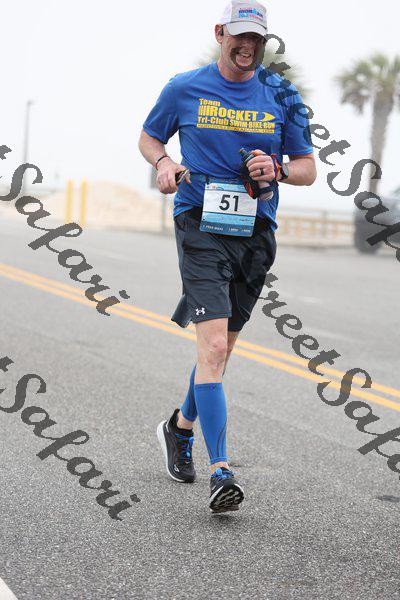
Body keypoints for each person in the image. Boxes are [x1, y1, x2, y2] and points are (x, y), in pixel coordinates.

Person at [138, 0, 316, 513]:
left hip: (255, 231)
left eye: (256, 39)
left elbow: (307, 168)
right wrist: (164, 162)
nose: (247, 46)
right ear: (220, 33)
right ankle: (221, 471)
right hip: (199, 221)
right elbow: (150, 137)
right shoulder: (184, 87)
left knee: (220, 351)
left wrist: (278, 170)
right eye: (239, 36)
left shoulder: (282, 95)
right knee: (213, 345)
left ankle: (178, 428)